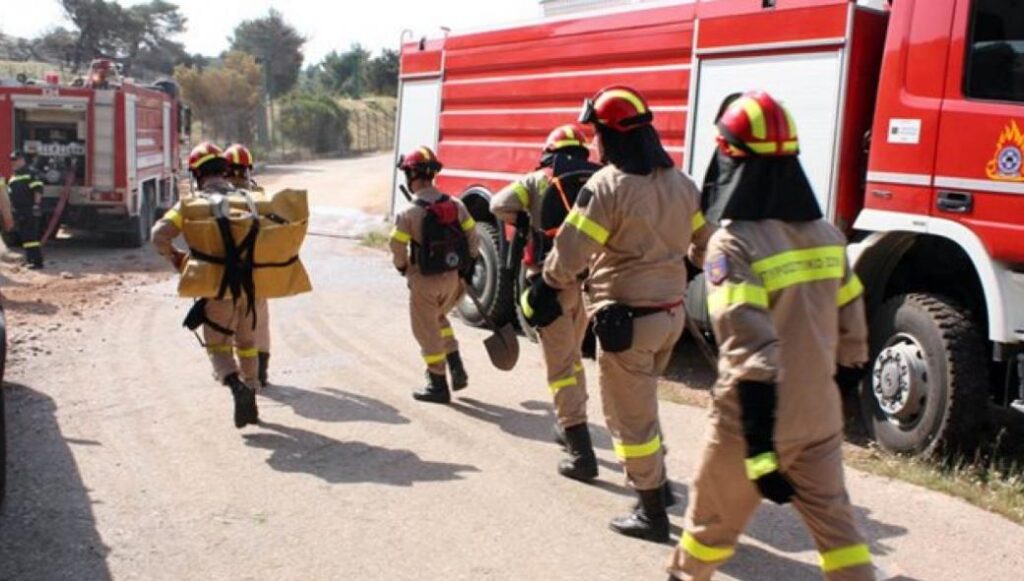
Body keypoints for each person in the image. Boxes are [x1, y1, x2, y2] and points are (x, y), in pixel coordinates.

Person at [666, 91, 873, 580]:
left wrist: (760, 452)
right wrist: (823, 395)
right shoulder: (828, 236)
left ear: (730, 159)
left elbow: (750, 350)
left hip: (752, 421)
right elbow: (854, 341)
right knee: (841, 538)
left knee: (706, 532)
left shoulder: (732, 245)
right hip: (819, 417)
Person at [530, 86, 712, 542]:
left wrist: (546, 285)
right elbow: (705, 245)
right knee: (642, 403)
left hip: (626, 322)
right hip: (669, 318)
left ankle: (650, 512)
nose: (594, 142)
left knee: (629, 419)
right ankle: (658, 483)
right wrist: (682, 270)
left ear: (612, 135)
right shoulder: (683, 184)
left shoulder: (607, 186)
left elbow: (572, 250)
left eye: (598, 133)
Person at [490, 124, 602, 482]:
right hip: (586, 283)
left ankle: (580, 450)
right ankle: (571, 421)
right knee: (573, 356)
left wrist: (522, 217)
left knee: (560, 366)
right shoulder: (599, 179)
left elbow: (497, 203)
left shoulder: (538, 179)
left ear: (549, 151)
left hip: (549, 283)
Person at [151, 142, 260, 429]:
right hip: (250, 290)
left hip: (216, 291)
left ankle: (236, 387)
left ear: (197, 174)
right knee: (247, 344)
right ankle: (252, 395)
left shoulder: (189, 206)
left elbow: (158, 235)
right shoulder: (247, 199)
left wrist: (176, 257)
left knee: (218, 346)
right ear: (223, 170)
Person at [390, 146, 480, 404]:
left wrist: (404, 268)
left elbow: (396, 246)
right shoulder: (456, 204)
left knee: (426, 332)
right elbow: (473, 238)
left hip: (424, 282)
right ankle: (456, 365)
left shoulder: (408, 213)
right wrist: (466, 267)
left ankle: (438, 385)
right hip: (453, 280)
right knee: (439, 319)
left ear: (412, 175)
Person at [223, 143, 271, 387]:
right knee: (259, 322)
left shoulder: (218, 199)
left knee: (231, 324)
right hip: (257, 272)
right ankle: (260, 372)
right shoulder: (260, 197)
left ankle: (237, 373)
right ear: (248, 169)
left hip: (227, 274)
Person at [6, 151, 44, 269]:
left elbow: (38, 189)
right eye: (12, 160)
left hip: (29, 208)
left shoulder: (31, 173)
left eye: (16, 160)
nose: (14, 162)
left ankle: (37, 261)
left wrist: (36, 205)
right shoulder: (14, 176)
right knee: (24, 236)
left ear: (22, 160)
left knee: (31, 236)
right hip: (19, 210)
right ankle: (29, 259)